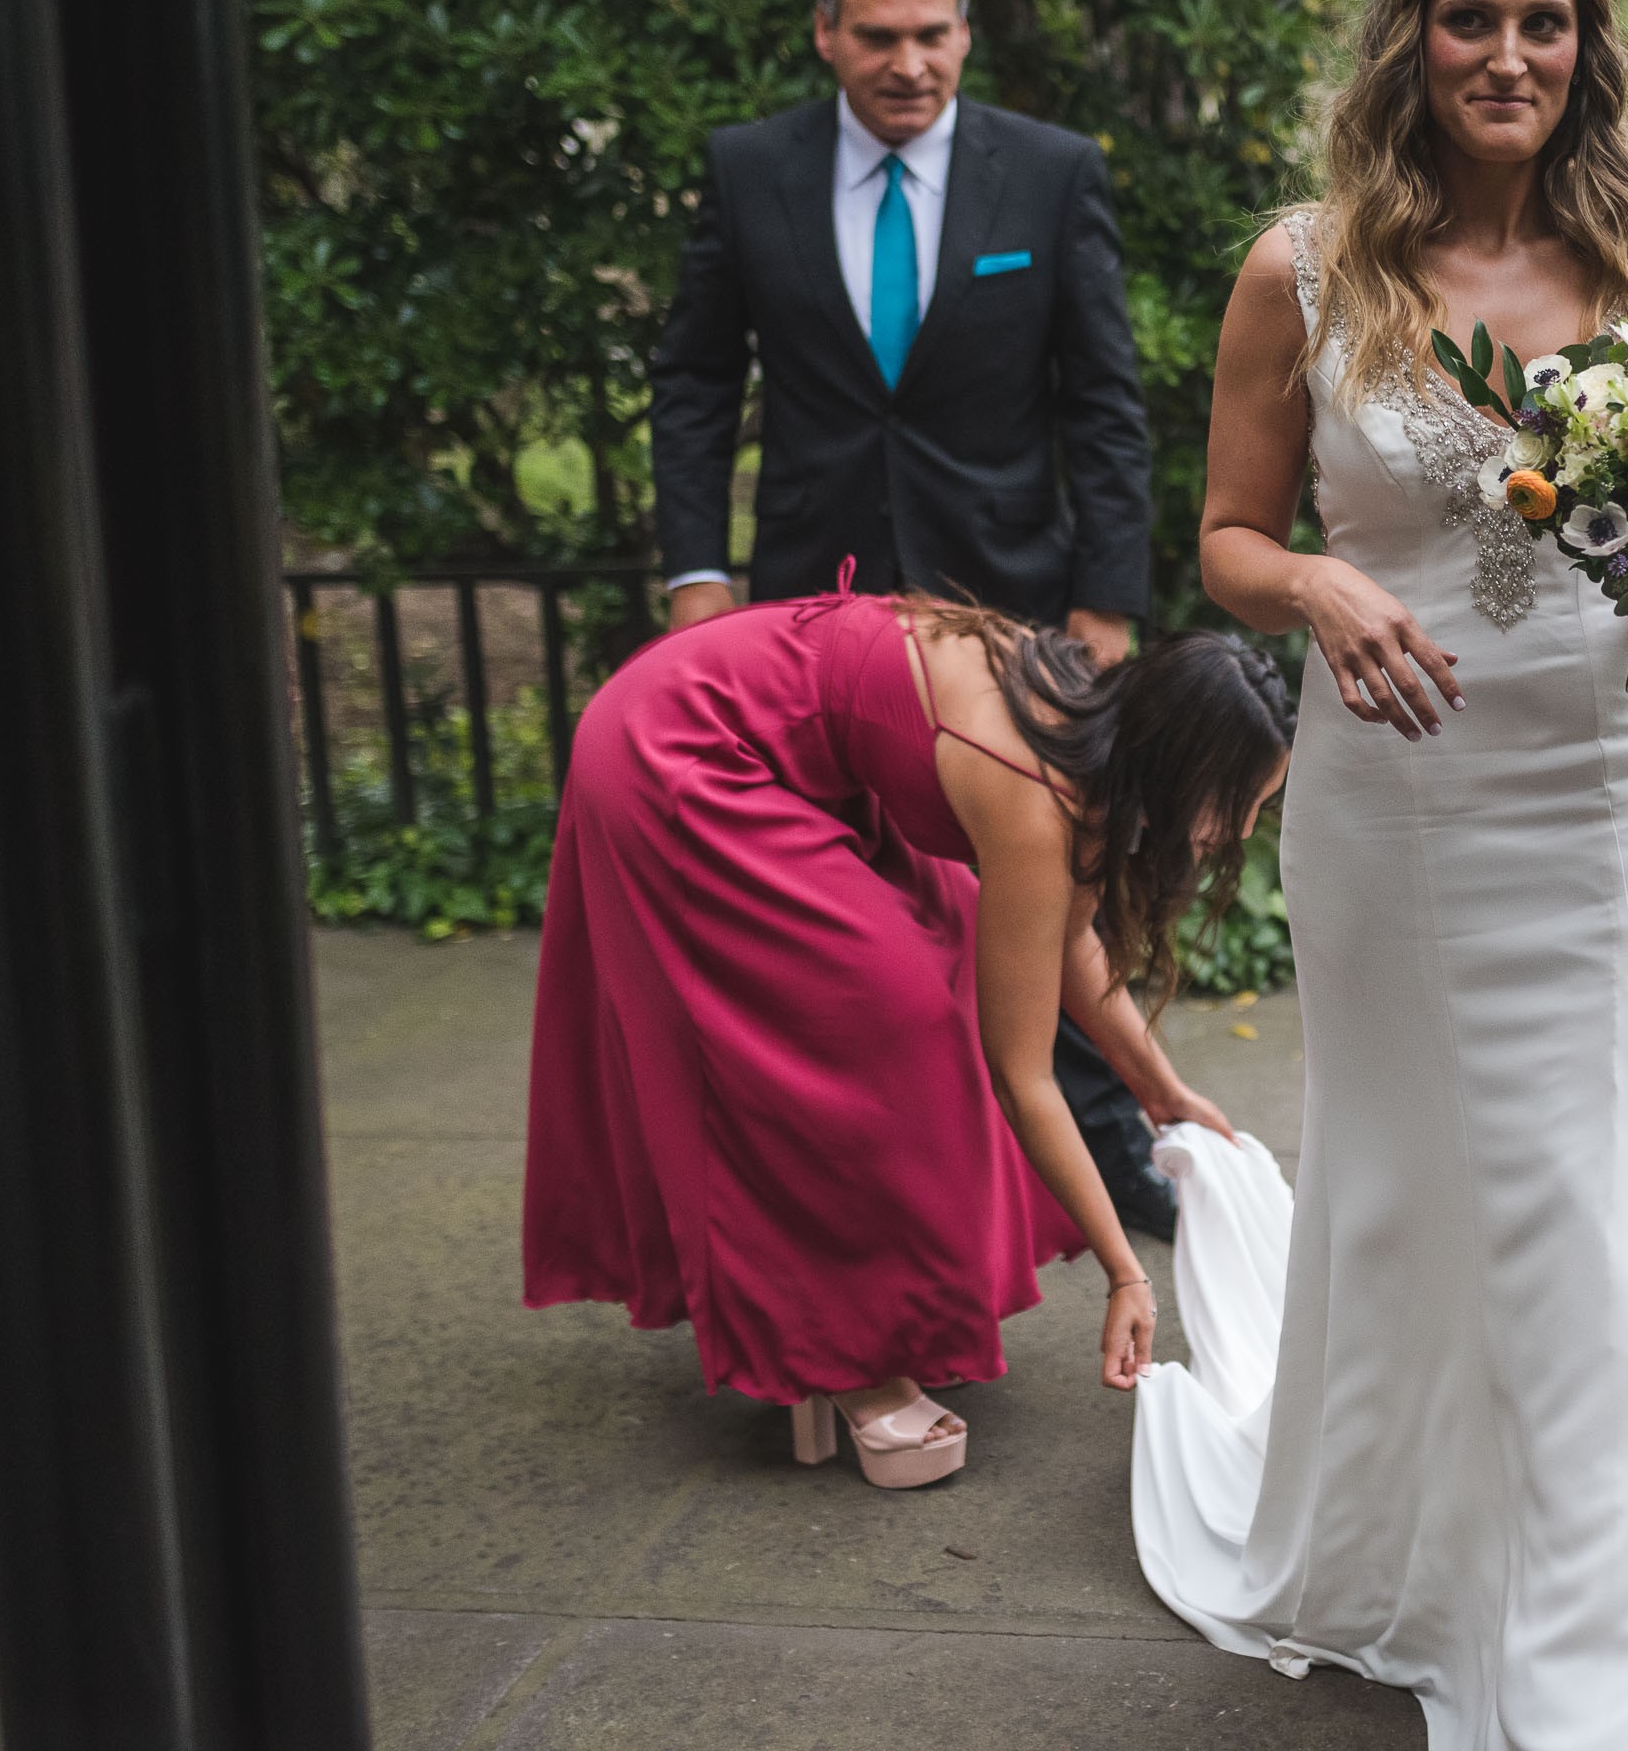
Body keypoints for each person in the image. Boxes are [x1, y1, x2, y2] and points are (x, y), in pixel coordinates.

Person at [1134, 0, 1628, 1746]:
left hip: (1606, 809)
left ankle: (1589, 1669)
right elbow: (1222, 537)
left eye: (1542, 25)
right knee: (1400, 1196)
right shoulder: (1303, 268)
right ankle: (1395, 1549)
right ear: (1413, 37)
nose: (1508, 57)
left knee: (1572, 1206)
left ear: (1583, 51)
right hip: (1389, 816)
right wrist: (1315, 586)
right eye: (1472, 20)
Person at [646, 0, 1179, 1236]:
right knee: (845, 911)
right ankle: (879, 1179)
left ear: (965, 30)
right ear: (826, 33)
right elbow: (697, 381)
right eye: (875, 36)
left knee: (1048, 883)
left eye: (931, 34)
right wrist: (696, 576)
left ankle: (1099, 1156)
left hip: (1009, 602)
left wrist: (1105, 609)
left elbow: (1105, 403)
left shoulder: (1048, 177)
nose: (907, 62)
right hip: (810, 610)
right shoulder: (749, 169)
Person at [521, 580, 1288, 1486]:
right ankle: (850, 1362)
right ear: (1178, 767)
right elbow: (1023, 1076)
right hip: (678, 750)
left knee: (949, 953)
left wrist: (1162, 1092)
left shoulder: (1092, 730)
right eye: (1232, 804)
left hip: (788, 759)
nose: (1236, 829)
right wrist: (1127, 1271)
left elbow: (1069, 940)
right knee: (888, 1023)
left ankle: (891, 1302)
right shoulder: (1031, 793)